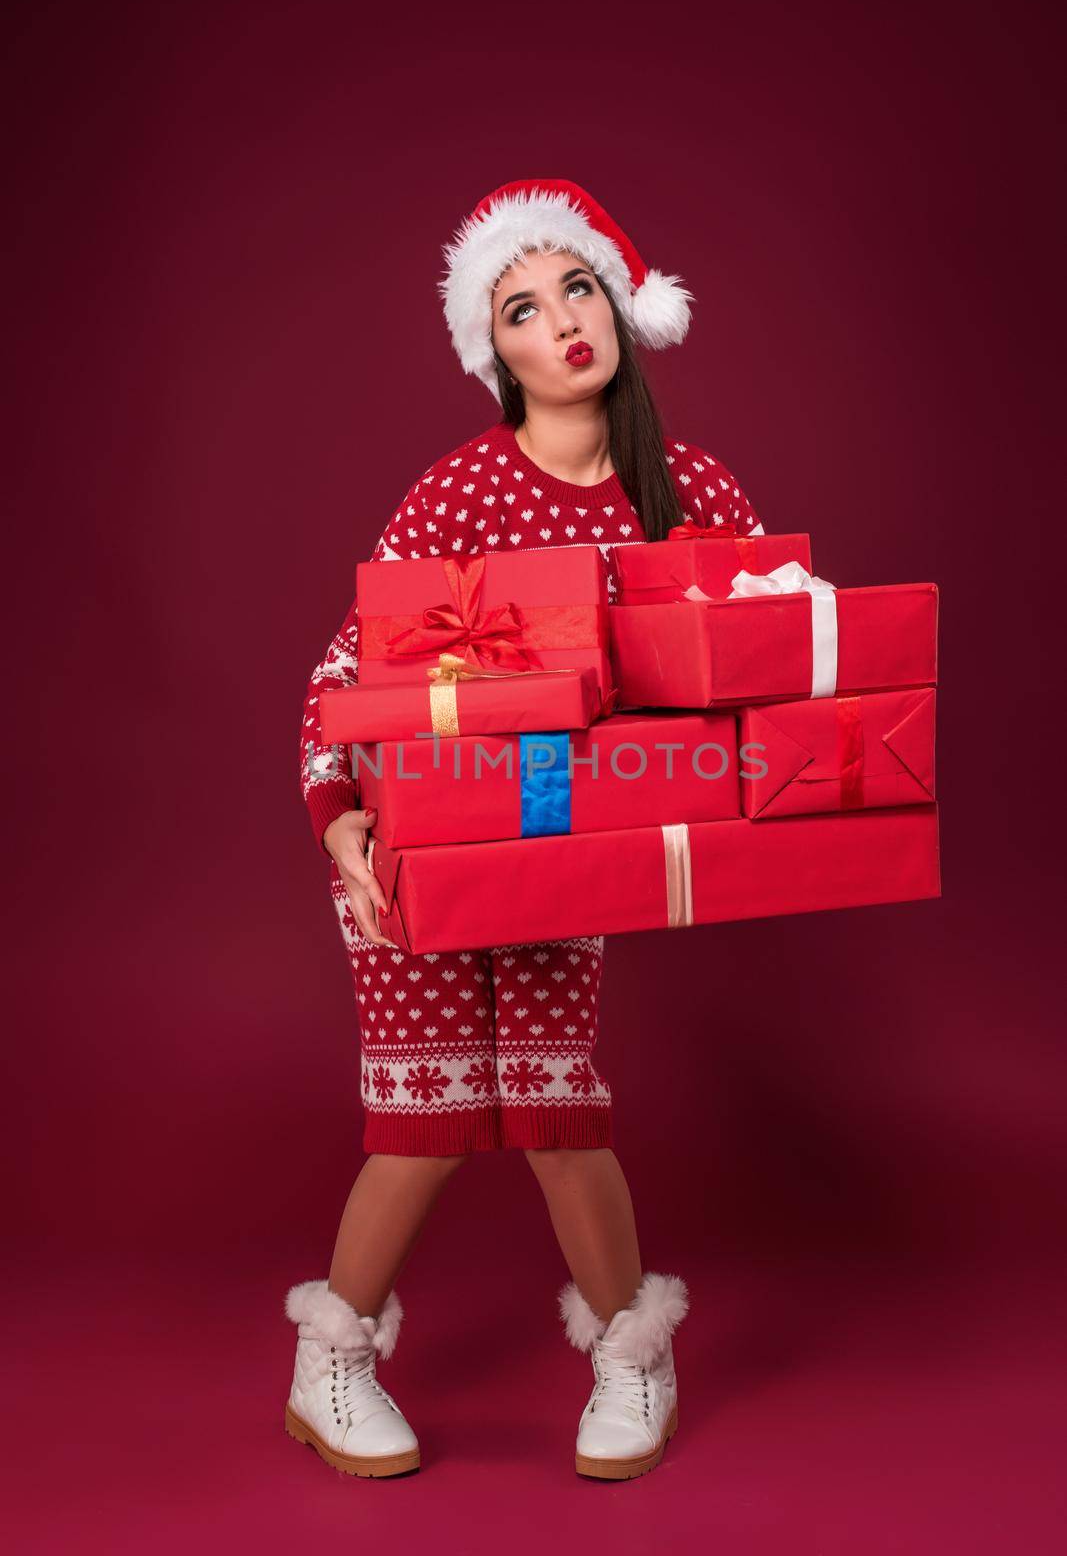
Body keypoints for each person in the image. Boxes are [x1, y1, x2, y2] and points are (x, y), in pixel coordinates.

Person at [284, 180, 766, 1482]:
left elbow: (772, 656)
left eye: (577, 289)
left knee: (556, 1110)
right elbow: (344, 670)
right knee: (426, 1119)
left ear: (619, 306)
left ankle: (631, 1349)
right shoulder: (459, 492)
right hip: (414, 843)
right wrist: (341, 822)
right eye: (520, 306)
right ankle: (332, 1358)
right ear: (490, 349)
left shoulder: (695, 492)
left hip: (565, 851)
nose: (560, 320)